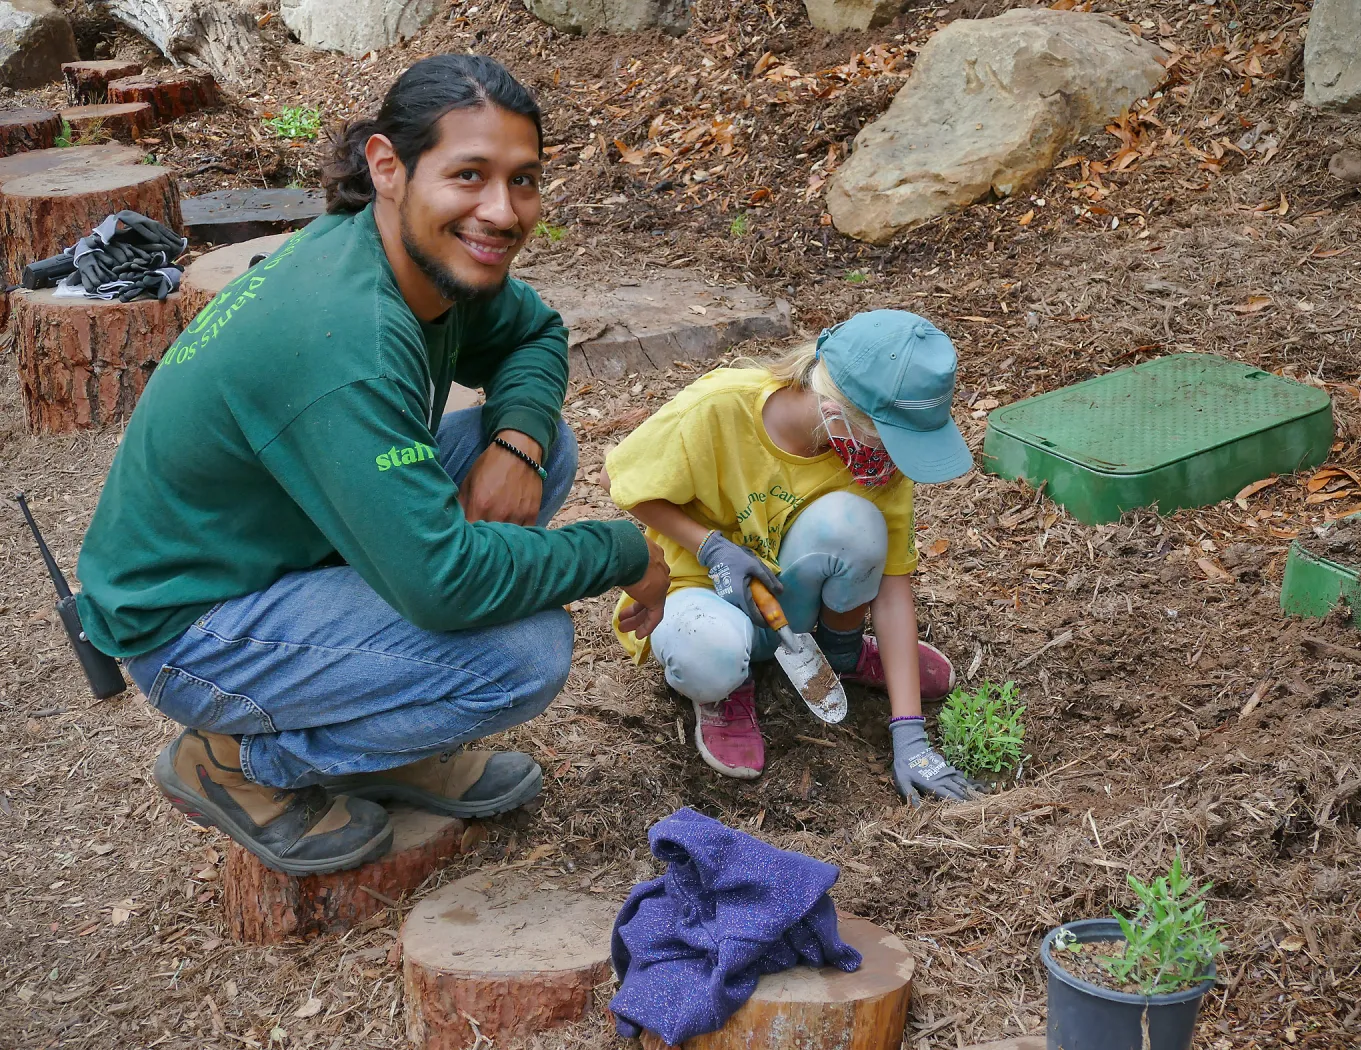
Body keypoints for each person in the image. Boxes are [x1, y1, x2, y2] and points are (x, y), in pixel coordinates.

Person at [74, 54, 670, 875]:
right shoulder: (348, 338)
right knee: (524, 655)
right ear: (388, 167)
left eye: (523, 180)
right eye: (469, 175)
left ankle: (383, 736)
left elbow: (536, 335)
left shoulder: (421, 257)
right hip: (189, 622)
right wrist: (624, 552)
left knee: (549, 448)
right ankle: (233, 763)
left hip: (293, 545)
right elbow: (445, 585)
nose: (502, 211)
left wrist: (518, 438)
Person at [603, 310, 978, 802]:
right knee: (706, 651)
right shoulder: (720, 407)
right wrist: (710, 545)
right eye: (890, 438)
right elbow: (620, 482)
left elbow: (890, 588)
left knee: (856, 526)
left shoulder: (874, 461)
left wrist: (910, 734)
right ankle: (726, 692)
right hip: (697, 592)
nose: (894, 456)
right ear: (840, 409)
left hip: (789, 602)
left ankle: (838, 655)